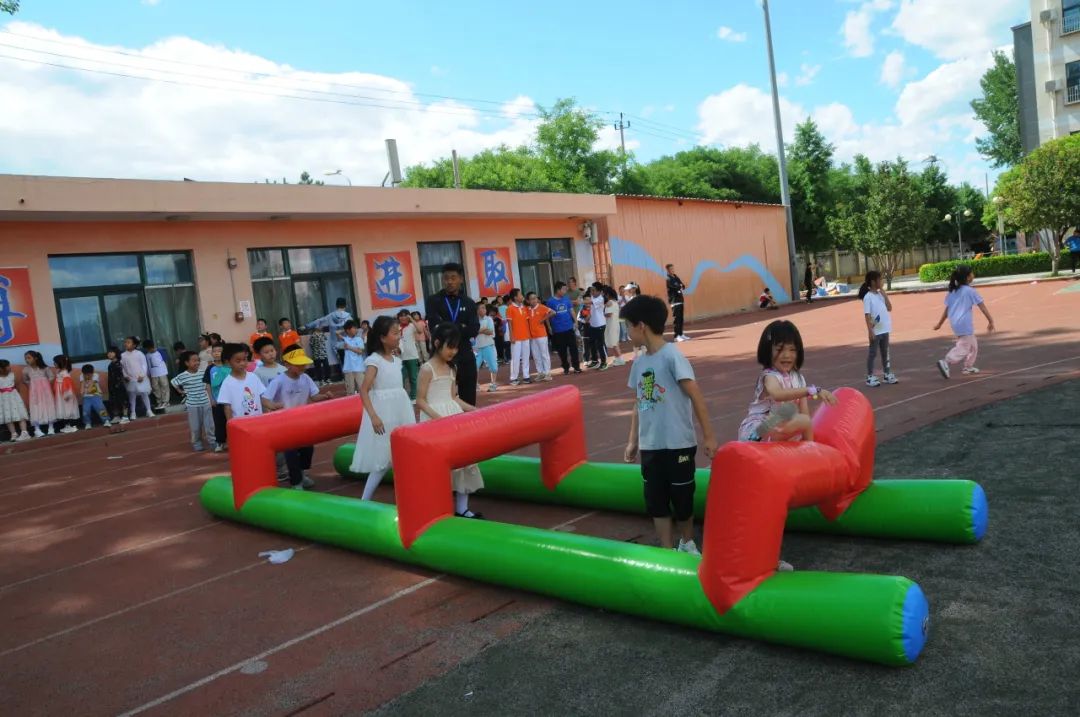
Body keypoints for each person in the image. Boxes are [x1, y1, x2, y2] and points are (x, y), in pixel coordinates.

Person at [621, 295, 716, 555]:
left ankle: (688, 542)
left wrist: (709, 437)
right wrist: (633, 441)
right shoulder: (639, 363)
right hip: (652, 445)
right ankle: (666, 549)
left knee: (682, 499)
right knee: (656, 500)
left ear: (641, 326)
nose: (626, 332)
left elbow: (695, 395)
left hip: (678, 443)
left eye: (628, 326)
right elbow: (637, 402)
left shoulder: (672, 356)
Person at [415, 322, 485, 518]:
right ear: (437, 343)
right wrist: (439, 419)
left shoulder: (452, 368)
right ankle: (437, 508)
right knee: (437, 465)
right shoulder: (427, 369)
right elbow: (420, 400)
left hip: (453, 416)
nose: (453, 351)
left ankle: (462, 508)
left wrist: (473, 410)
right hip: (434, 419)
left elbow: (453, 397)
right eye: (450, 346)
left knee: (465, 461)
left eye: (456, 347)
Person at [737, 320, 837, 445]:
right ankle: (809, 449)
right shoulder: (770, 376)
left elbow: (805, 415)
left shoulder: (799, 379)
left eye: (792, 349)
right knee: (797, 417)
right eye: (780, 349)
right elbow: (777, 394)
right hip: (759, 430)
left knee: (796, 415)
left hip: (781, 428)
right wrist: (812, 390)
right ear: (768, 351)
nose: (786, 355)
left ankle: (809, 451)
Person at [351, 316, 416, 501]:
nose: (398, 337)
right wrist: (373, 417)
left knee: (403, 454)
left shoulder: (396, 360)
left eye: (399, 333)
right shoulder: (374, 360)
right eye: (395, 333)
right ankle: (365, 499)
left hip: (400, 408)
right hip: (383, 411)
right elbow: (364, 390)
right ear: (382, 337)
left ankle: (405, 497)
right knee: (383, 458)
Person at [266, 348, 333, 490]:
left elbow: (314, 396)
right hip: (285, 423)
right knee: (291, 453)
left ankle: (302, 474)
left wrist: (325, 396)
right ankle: (296, 482)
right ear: (287, 364)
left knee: (307, 449)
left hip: (302, 422)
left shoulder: (306, 378)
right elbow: (265, 399)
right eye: (298, 364)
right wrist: (273, 405)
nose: (302, 367)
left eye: (303, 364)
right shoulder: (279, 380)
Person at [424, 262, 480, 405]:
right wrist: (461, 326)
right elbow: (435, 328)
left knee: (468, 400)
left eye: (453, 278)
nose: (449, 281)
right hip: (442, 358)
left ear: (461, 279)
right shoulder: (433, 301)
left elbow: (473, 329)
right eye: (446, 278)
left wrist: (446, 325)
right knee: (442, 399)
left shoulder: (469, 303)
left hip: (465, 356)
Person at [934, 265, 995, 379]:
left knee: (973, 346)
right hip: (964, 323)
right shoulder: (970, 291)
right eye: (971, 273)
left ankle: (968, 366)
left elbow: (947, 310)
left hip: (955, 323)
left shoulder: (952, 291)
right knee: (964, 347)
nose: (973, 275)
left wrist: (940, 323)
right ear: (967, 277)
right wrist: (991, 321)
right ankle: (946, 361)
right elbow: (982, 307)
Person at [216, 343, 280, 421]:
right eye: (238, 361)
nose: (242, 363)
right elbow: (227, 407)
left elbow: (262, 398)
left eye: (245, 359)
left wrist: (273, 406)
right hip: (241, 425)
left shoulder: (253, 377)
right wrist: (231, 425)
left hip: (258, 421)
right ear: (228, 362)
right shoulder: (227, 383)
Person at [859, 271, 898, 387]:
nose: (882, 281)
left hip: (885, 329)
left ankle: (887, 374)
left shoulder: (880, 295)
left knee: (885, 353)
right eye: (880, 279)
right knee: (873, 353)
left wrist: (884, 293)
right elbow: (867, 315)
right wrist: (870, 331)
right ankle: (870, 376)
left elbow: (890, 308)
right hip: (876, 330)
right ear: (873, 281)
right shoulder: (868, 297)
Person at [171, 350, 214, 451]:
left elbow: (208, 384)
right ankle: (197, 443)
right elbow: (173, 382)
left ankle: (213, 442)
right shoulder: (183, 376)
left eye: (198, 360)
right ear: (187, 363)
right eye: (194, 361)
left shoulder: (203, 373)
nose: (197, 363)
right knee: (195, 427)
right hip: (192, 405)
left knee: (210, 425)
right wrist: (181, 391)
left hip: (206, 403)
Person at [305, 298, 353, 379]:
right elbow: (352, 329)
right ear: (345, 305)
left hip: (336, 343)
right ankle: (350, 378)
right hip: (347, 342)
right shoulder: (348, 317)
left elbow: (319, 321)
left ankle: (345, 378)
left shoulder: (331, 316)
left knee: (341, 361)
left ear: (336, 305)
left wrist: (307, 326)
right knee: (349, 361)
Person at [546, 281, 581, 375]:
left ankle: (576, 367)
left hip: (569, 328)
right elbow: (547, 315)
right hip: (558, 330)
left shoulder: (566, 299)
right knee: (562, 351)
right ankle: (566, 367)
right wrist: (549, 327)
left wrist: (576, 322)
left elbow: (571, 311)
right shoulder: (550, 301)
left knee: (573, 348)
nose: (565, 291)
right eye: (564, 289)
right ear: (558, 290)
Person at [203, 343, 229, 452]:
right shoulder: (210, 368)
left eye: (219, 351)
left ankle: (233, 440)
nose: (217, 353)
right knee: (219, 422)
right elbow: (208, 385)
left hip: (230, 400)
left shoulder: (229, 366)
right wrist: (211, 399)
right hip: (217, 400)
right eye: (215, 351)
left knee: (231, 420)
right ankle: (220, 442)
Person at [22, 351, 56, 437]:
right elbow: (25, 380)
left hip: (45, 391)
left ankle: (51, 427)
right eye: (25, 358)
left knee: (48, 406)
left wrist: (45, 383)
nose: (27, 360)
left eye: (29, 358)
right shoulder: (26, 370)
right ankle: (37, 429)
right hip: (34, 392)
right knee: (35, 407)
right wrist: (31, 385)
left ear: (36, 358)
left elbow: (51, 376)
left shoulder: (44, 368)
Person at [121, 336, 154, 420]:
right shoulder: (123, 355)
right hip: (130, 378)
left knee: (144, 394)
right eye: (125, 342)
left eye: (128, 342)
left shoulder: (139, 354)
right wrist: (125, 376)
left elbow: (144, 365)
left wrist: (142, 375)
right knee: (132, 395)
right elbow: (122, 367)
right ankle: (133, 412)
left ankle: (149, 410)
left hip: (140, 377)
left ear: (134, 345)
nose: (126, 344)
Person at [505, 288, 532, 385]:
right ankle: (513, 378)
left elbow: (527, 322)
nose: (522, 296)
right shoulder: (510, 308)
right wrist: (511, 336)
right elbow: (509, 324)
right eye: (520, 295)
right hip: (516, 337)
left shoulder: (524, 308)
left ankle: (526, 376)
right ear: (515, 297)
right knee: (515, 357)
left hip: (525, 336)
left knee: (526, 357)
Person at [0, 359, 31, 441]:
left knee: (20, 414)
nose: (9, 367)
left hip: (14, 397)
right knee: (7, 416)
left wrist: (14, 392)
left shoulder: (12, 375)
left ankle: (24, 432)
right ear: (1, 368)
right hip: (3, 399)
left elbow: (17, 386)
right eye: (7, 366)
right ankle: (13, 434)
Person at [526, 291, 554, 381]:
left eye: (535, 298)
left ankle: (547, 373)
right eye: (532, 299)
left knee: (544, 354)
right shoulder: (528, 309)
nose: (534, 300)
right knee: (536, 355)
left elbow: (553, 312)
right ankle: (540, 373)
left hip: (541, 335)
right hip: (532, 336)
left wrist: (543, 320)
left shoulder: (541, 307)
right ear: (528, 301)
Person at [397, 310, 422, 401]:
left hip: (412, 356)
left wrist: (411, 319)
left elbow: (420, 330)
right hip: (400, 357)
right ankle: (402, 398)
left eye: (405, 316)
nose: (403, 318)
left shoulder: (411, 326)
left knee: (413, 378)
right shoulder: (396, 327)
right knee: (400, 378)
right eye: (401, 316)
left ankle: (414, 397)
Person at [475, 303, 500, 392]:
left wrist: (478, 330)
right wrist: (482, 330)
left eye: (484, 308)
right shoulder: (474, 320)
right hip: (477, 347)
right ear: (477, 310)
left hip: (488, 346)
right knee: (474, 367)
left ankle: (493, 384)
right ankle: (475, 385)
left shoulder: (489, 319)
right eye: (481, 308)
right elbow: (472, 331)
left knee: (493, 367)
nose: (483, 310)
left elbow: (490, 331)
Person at [51, 354, 79, 434]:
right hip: (60, 394)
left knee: (67, 408)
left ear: (60, 363)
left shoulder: (65, 373)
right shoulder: (59, 372)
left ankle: (71, 426)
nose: (54, 364)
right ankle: (67, 426)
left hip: (65, 394)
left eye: (55, 362)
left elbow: (68, 385)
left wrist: (67, 394)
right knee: (63, 408)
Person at [141, 339, 170, 411]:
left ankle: (166, 401)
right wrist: (148, 374)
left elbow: (165, 361)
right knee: (155, 388)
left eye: (149, 348)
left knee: (164, 386)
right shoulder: (147, 355)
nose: (149, 350)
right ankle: (159, 402)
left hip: (162, 372)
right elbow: (148, 365)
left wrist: (165, 370)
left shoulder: (160, 351)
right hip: (153, 373)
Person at [79, 364, 110, 430]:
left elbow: (91, 385)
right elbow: (82, 385)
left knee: (101, 408)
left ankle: (106, 420)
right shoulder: (81, 376)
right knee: (86, 410)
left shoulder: (95, 375)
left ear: (92, 373)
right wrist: (82, 392)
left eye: (89, 374)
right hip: (86, 397)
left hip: (96, 395)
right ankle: (87, 423)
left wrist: (87, 389)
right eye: (85, 374)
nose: (87, 376)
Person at [340, 319, 366, 396]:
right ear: (348, 330)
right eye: (353, 328)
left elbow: (360, 351)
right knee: (350, 392)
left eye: (356, 328)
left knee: (362, 390)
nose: (356, 330)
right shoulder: (345, 339)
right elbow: (336, 333)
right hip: (348, 368)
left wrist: (349, 347)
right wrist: (344, 330)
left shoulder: (359, 339)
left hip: (359, 368)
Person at [586, 284, 610, 370]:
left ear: (599, 291)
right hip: (593, 324)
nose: (592, 292)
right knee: (591, 343)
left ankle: (604, 362)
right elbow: (592, 309)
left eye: (594, 290)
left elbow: (589, 302)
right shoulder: (593, 297)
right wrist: (588, 317)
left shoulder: (600, 299)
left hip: (600, 324)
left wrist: (579, 301)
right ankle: (595, 361)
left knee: (600, 344)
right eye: (591, 290)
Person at [105, 346, 128, 426]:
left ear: (116, 353)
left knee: (123, 400)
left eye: (111, 352)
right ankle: (116, 416)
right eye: (108, 353)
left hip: (120, 385)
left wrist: (119, 384)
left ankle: (125, 416)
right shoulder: (110, 365)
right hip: (112, 386)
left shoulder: (119, 363)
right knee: (113, 401)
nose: (109, 354)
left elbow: (122, 375)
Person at [665, 264, 688, 342]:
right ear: (667, 270)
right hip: (674, 301)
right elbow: (675, 286)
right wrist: (679, 286)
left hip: (680, 300)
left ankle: (681, 334)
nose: (673, 270)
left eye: (673, 268)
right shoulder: (668, 278)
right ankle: (676, 336)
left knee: (681, 318)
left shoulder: (675, 276)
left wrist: (681, 286)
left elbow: (682, 285)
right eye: (671, 269)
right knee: (677, 319)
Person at [603, 285, 624, 366]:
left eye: (604, 294)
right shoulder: (615, 302)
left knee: (614, 343)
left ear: (607, 294)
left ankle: (620, 359)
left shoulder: (610, 302)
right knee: (614, 342)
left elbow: (609, 314)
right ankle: (617, 358)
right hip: (614, 324)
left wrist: (603, 313)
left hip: (612, 324)